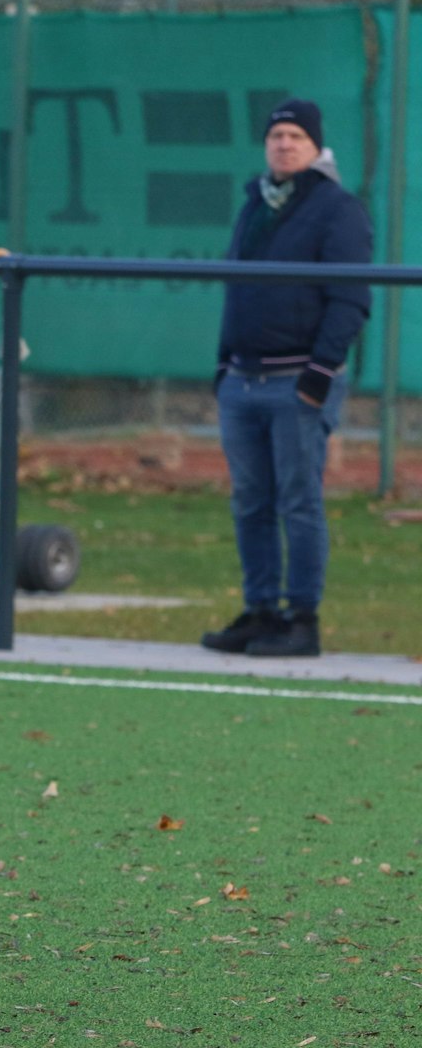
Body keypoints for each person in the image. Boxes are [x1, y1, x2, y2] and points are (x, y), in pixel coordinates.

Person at [201, 98, 370, 659]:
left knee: (299, 502)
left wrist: (318, 374)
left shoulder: (337, 210)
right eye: (276, 135)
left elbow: (350, 299)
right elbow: (236, 289)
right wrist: (225, 366)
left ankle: (303, 619)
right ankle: (260, 611)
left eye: (297, 136)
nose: (284, 144)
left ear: (316, 146)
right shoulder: (255, 204)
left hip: (297, 381)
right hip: (243, 382)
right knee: (250, 501)